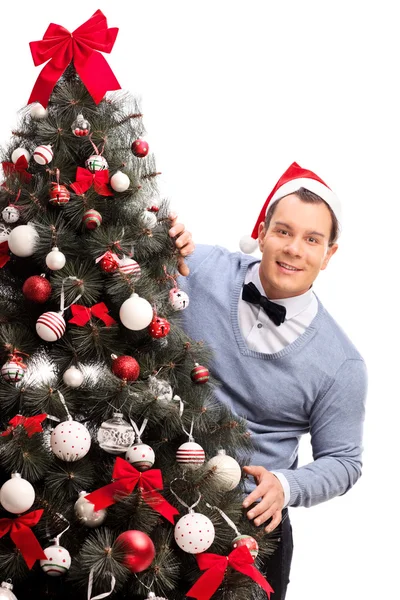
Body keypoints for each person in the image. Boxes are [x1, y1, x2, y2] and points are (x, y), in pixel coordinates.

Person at [169, 162, 367, 600]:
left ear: (329, 255)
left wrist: (286, 485)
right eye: (284, 231)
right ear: (262, 232)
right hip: (153, 491)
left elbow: (344, 460)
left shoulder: (341, 363)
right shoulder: (197, 268)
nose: (294, 249)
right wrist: (158, 244)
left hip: (246, 524)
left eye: (312, 239)